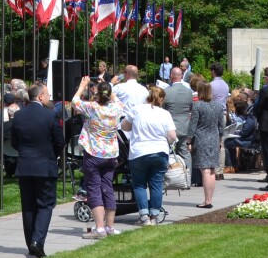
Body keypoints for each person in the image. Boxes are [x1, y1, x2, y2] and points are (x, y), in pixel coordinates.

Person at [10, 83, 64, 258]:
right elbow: (60, 141)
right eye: (47, 94)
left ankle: (31, 243)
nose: (49, 97)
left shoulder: (18, 115)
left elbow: (14, 143)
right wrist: (51, 155)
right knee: (46, 204)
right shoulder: (50, 115)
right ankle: (37, 241)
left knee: (28, 206)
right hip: (44, 165)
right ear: (40, 96)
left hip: (25, 165)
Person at [71, 76, 123, 239]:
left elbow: (74, 101)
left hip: (94, 153)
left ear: (98, 94)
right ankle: (110, 227)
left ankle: (99, 228)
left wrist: (82, 86)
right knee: (107, 188)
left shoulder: (93, 107)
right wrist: (109, 87)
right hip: (110, 155)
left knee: (94, 189)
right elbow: (116, 100)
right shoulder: (117, 108)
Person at [119, 86, 177, 226]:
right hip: (159, 151)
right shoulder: (164, 113)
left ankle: (144, 216)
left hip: (139, 152)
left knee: (139, 185)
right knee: (156, 185)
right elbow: (172, 136)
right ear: (161, 99)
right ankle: (154, 216)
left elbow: (124, 127)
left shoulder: (137, 109)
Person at [187, 75, 222, 208]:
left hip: (201, 138)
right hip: (213, 137)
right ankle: (209, 199)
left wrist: (189, 140)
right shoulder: (218, 106)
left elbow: (193, 125)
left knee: (205, 171)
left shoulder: (198, 105)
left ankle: (207, 201)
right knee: (212, 170)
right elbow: (221, 125)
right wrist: (220, 140)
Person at [163, 66, 194, 171]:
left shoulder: (167, 92)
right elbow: (191, 107)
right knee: (185, 153)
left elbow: (162, 109)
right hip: (185, 126)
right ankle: (187, 178)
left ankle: (170, 178)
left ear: (171, 76)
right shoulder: (189, 92)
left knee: (168, 152)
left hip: (171, 128)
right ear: (181, 76)